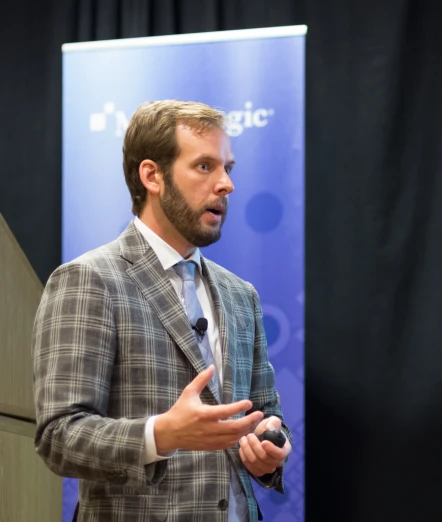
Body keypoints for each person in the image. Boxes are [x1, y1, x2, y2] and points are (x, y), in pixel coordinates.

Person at [32, 100, 292, 522]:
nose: (226, 184)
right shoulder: (88, 279)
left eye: (228, 167)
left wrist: (269, 446)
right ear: (152, 175)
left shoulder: (241, 295)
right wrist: (161, 434)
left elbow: (268, 412)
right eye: (205, 167)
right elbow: (59, 437)